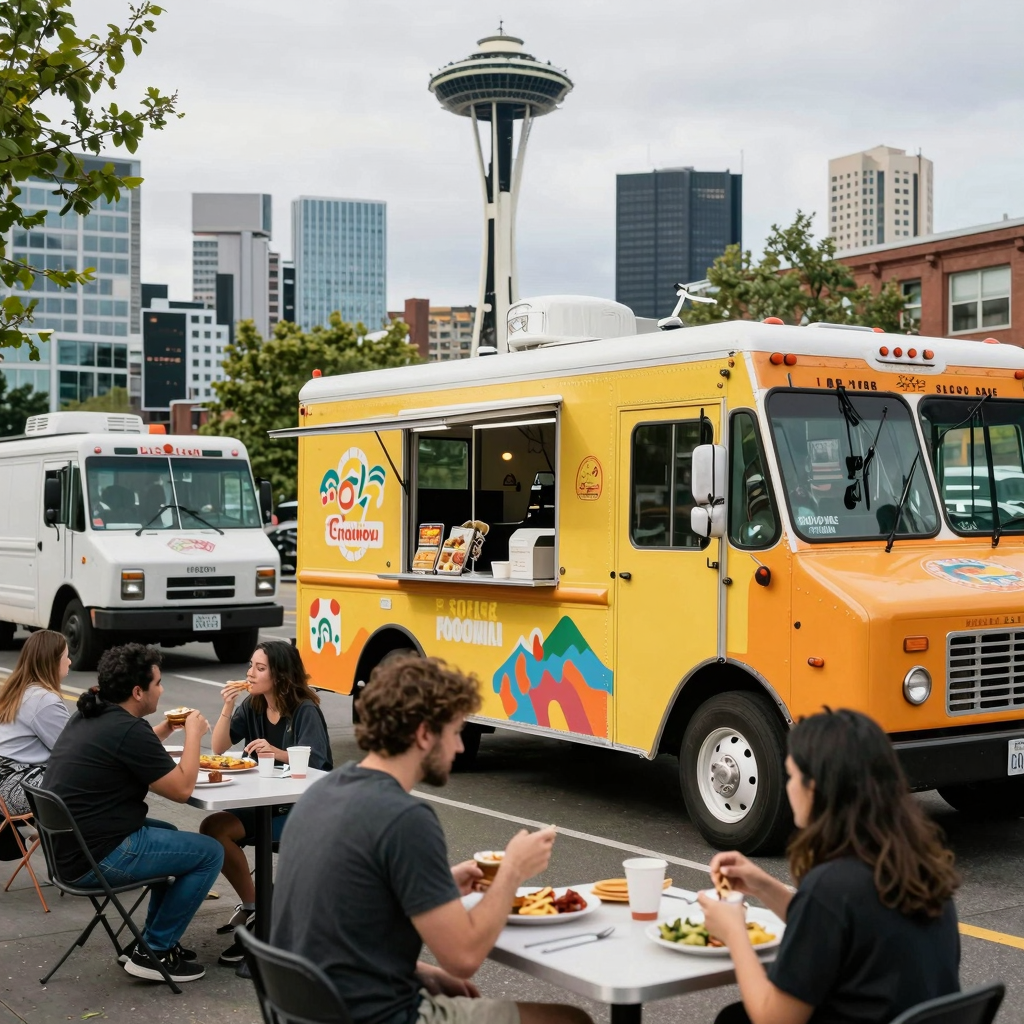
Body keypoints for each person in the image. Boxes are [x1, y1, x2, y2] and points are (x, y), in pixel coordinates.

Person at [271, 654, 591, 1024]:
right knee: (571, 1021)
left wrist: (417, 969)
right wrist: (513, 870)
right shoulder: (405, 818)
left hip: (307, 1009)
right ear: (424, 733)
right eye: (455, 732)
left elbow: (330, 924)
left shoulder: (321, 792)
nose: (458, 747)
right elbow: (464, 957)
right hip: (376, 1016)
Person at [698, 709, 960, 1024]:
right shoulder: (920, 865)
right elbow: (838, 929)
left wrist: (733, 932)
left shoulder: (832, 885)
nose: (788, 788)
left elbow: (773, 1018)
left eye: (792, 776)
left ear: (817, 789)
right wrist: (764, 886)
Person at [43, 643, 224, 984]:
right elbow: (182, 790)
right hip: (96, 857)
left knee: (171, 832)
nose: (162, 689)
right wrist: (194, 736)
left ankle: (151, 942)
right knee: (209, 852)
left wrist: (167, 729)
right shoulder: (127, 730)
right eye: (158, 683)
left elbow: (128, 750)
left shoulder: (92, 713)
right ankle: (154, 950)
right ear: (138, 691)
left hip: (70, 849)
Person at [200, 639, 332, 966]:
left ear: (281, 676)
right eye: (251, 666)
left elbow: (317, 764)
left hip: (303, 811)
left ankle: (266, 928)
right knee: (213, 827)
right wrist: (228, 706)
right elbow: (218, 748)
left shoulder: (305, 710)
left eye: (260, 668)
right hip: (265, 803)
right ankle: (257, 907)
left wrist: (279, 753)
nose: (250, 673)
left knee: (227, 826)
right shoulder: (254, 704)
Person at [0, 630, 71, 818]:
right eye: (67, 656)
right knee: (93, 777)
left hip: (5, 785)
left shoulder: (19, 691)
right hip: (13, 788)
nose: (70, 661)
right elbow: (73, 750)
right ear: (53, 661)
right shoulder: (44, 700)